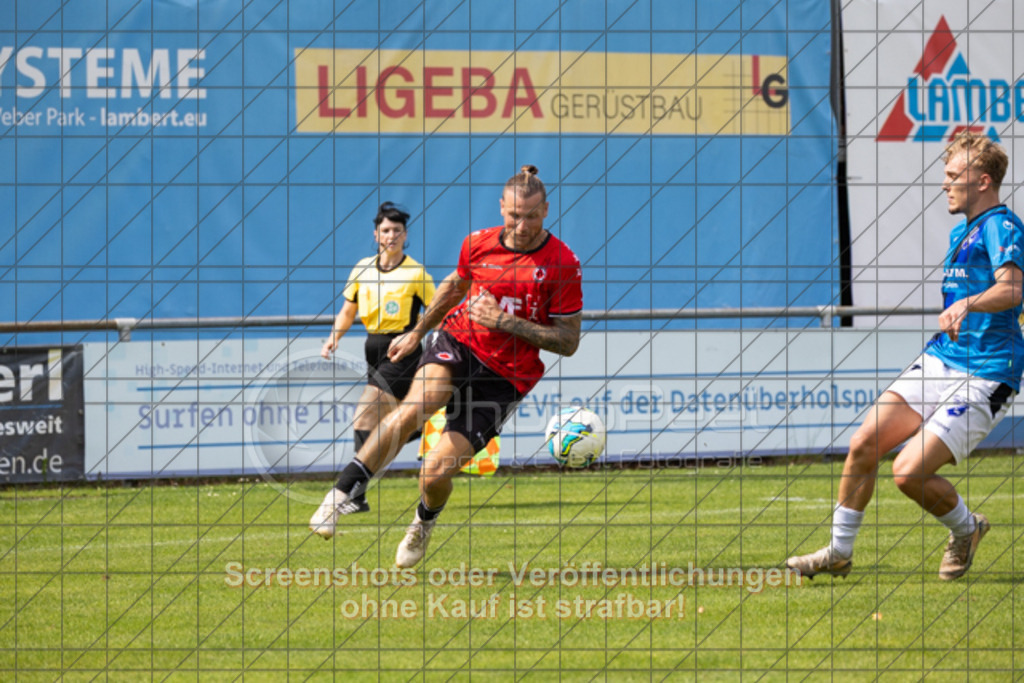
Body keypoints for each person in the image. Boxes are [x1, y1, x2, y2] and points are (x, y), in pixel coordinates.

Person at [310, 165, 583, 569]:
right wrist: (418, 330)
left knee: (434, 475)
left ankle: (423, 522)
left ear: (546, 210)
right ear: (501, 208)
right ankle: (341, 495)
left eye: (531, 216)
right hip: (459, 342)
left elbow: (568, 341)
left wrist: (504, 322)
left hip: (506, 377)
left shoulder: (562, 263)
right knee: (416, 406)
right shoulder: (477, 244)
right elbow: (453, 287)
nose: (521, 225)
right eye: (513, 215)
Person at [787, 131, 1024, 580]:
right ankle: (838, 553)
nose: (945, 183)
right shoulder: (963, 230)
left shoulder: (1002, 226)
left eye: (954, 175)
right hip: (942, 358)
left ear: (983, 181)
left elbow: (1013, 288)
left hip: (987, 371)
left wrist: (967, 303)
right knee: (863, 444)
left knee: (908, 472)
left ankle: (967, 528)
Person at [319, 201, 435, 514]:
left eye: (397, 230)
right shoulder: (361, 268)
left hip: (403, 350)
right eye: (386, 230)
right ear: (376, 235)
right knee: (388, 423)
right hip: (373, 347)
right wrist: (334, 337)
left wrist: (422, 339)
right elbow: (348, 310)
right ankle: (419, 428)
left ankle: (355, 494)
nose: (391, 235)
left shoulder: (416, 272)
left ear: (405, 234)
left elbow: (437, 311)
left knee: (364, 415)